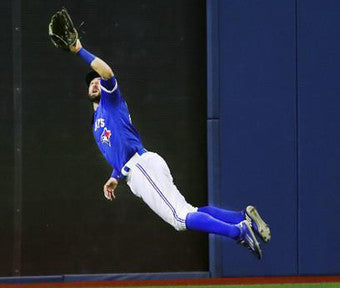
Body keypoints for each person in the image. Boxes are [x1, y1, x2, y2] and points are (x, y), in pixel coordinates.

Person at [68, 38, 270, 259]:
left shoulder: (110, 101)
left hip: (141, 167)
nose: (95, 83)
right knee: (190, 211)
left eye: (97, 81)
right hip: (138, 167)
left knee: (180, 218)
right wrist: (115, 176)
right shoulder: (97, 121)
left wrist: (79, 51)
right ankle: (241, 217)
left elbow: (106, 72)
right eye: (91, 82)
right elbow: (120, 145)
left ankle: (237, 231)